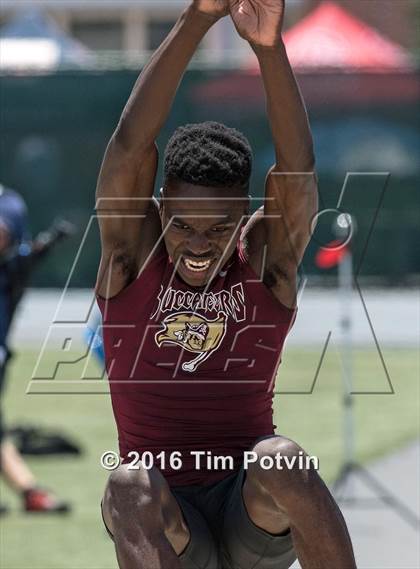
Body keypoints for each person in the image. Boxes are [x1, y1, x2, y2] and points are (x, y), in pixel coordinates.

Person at [96, 1, 356, 568]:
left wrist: (268, 48)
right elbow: (128, 146)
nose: (196, 243)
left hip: (248, 517)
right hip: (168, 524)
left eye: (217, 228)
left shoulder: (267, 263)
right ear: (159, 210)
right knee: (128, 482)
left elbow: (298, 169)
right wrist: (199, 17)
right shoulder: (131, 257)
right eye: (181, 225)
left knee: (282, 458)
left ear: (243, 216)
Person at [0, 184, 71, 513]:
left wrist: (43, 246)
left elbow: (17, 248)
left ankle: (30, 492)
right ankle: (29, 491)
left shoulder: (10, 203)